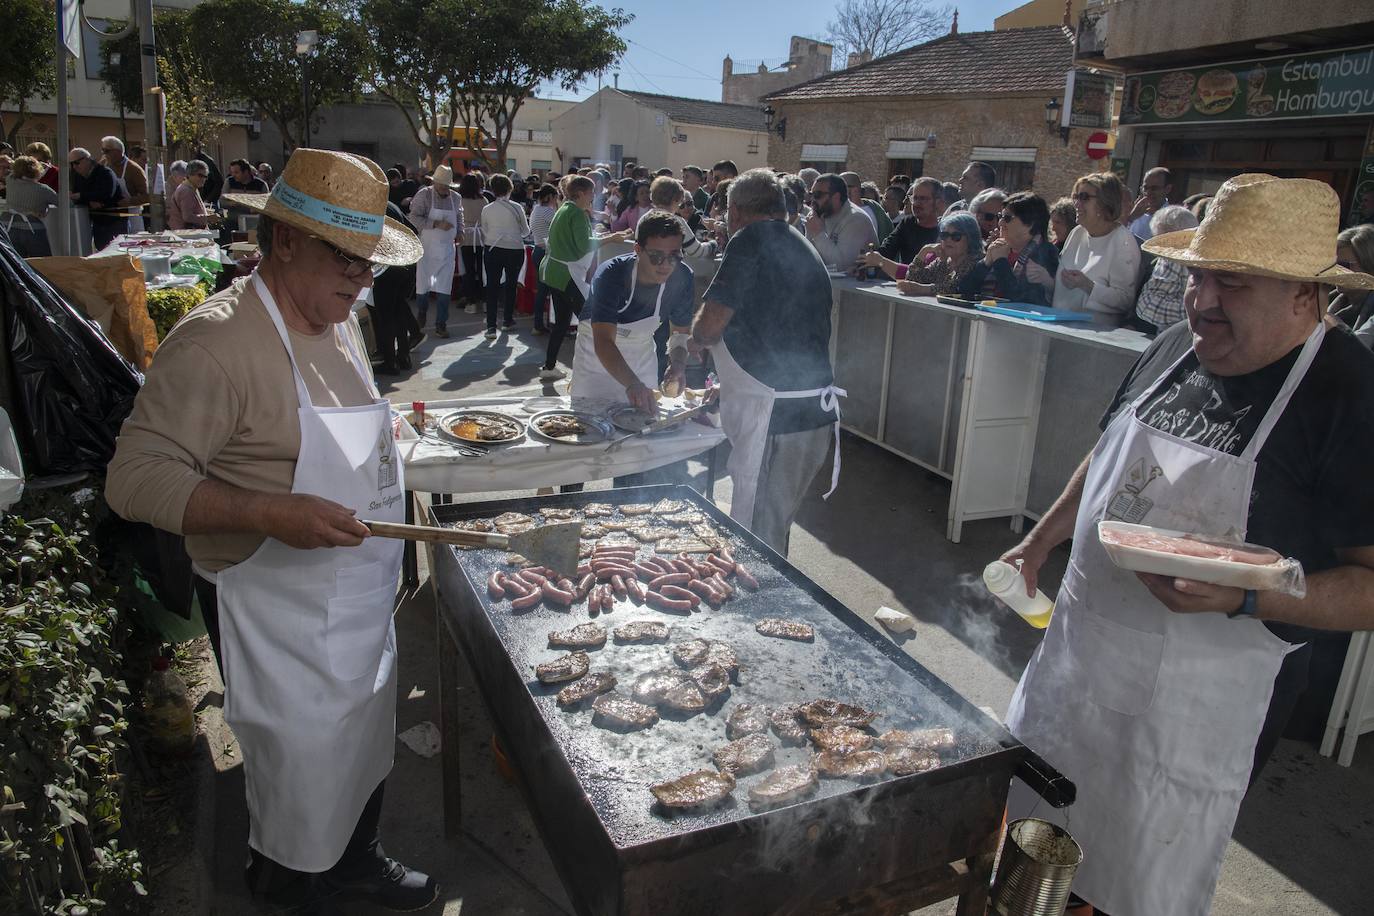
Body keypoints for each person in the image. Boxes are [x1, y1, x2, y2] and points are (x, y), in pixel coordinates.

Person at [1001, 173, 1374, 916]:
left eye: (1231, 283)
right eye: (1197, 275)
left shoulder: (1349, 396)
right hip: (1076, 668)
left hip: (1190, 716)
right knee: (1021, 855)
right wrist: (1041, 540)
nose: (1202, 301)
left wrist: (1245, 594)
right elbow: (1107, 455)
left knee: (1125, 886)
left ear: (1306, 296)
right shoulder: (1177, 344)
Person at [105, 149, 438, 914]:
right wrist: (267, 510)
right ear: (284, 239)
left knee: (358, 741)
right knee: (297, 758)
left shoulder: (338, 318)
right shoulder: (216, 344)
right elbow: (133, 480)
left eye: (369, 263)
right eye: (345, 258)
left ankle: (355, 861)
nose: (361, 280)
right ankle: (286, 881)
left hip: (354, 590)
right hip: (270, 598)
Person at [689, 169, 844, 555]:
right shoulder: (798, 241)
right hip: (808, 416)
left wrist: (689, 342)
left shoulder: (750, 240)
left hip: (779, 418)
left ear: (736, 211)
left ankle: (758, 613)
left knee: (756, 540)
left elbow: (709, 327)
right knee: (772, 530)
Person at [571, 209, 694, 413]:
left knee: (643, 427)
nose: (665, 265)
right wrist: (632, 384)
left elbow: (680, 333)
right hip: (596, 358)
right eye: (656, 256)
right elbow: (603, 341)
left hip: (641, 356)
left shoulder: (683, 277)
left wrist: (678, 364)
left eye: (674, 256)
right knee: (591, 424)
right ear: (638, 249)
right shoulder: (611, 275)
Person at [539, 175, 631, 380]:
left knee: (562, 323)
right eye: (591, 193)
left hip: (553, 273)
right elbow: (583, 246)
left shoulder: (564, 208)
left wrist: (603, 235)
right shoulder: (577, 213)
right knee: (594, 322)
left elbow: (578, 240)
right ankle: (596, 370)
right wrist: (611, 238)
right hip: (566, 274)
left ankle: (549, 367)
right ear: (580, 193)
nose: (593, 196)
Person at [1052, 172, 1140, 321]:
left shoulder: (1122, 242)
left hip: (1094, 334)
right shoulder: (1077, 233)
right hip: (1060, 324)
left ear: (1105, 203)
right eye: (1076, 196)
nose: (1077, 204)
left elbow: (1125, 301)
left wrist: (1088, 286)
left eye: (1084, 197)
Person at [966, 192, 1058, 305]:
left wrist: (1000, 262)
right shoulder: (999, 249)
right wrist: (985, 263)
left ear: (1029, 223)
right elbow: (965, 291)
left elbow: (1022, 300)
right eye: (1000, 216)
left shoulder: (1046, 253)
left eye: (1007, 218)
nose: (1000, 223)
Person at [409, 164, 460, 338]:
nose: (445, 189)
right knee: (423, 286)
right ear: (435, 182)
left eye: (448, 186)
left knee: (445, 288)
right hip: (427, 250)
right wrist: (436, 224)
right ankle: (421, 313)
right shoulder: (423, 195)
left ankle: (441, 324)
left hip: (447, 250)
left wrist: (460, 233)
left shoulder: (456, 198)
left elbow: (459, 217)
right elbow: (413, 218)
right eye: (442, 185)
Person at [1132, 204, 1200, 333]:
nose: (1158, 250)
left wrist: (1197, 310)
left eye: (1158, 239)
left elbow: (1147, 307)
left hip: (1179, 339)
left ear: (1170, 235)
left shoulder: (1172, 253)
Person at [858, 176, 942, 279]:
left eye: (923, 199)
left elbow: (928, 274)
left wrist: (881, 261)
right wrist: (865, 262)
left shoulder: (945, 231)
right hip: (903, 286)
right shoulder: (907, 223)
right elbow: (886, 250)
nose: (916, 203)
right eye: (914, 198)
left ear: (937, 202)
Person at [479, 173, 529, 339]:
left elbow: (484, 229)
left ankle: (491, 326)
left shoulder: (487, 208)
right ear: (510, 188)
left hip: (492, 248)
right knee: (511, 284)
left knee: (492, 287)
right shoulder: (517, 207)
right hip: (514, 248)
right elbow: (525, 231)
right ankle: (508, 320)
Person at [895, 211, 983, 299]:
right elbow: (912, 279)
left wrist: (922, 289)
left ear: (971, 238)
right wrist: (923, 251)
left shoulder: (977, 262)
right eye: (944, 235)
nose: (948, 240)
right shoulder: (944, 260)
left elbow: (954, 289)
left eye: (956, 236)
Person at [805, 173, 877, 270]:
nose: (812, 200)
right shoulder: (817, 215)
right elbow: (807, 258)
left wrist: (818, 234)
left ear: (836, 197)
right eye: (811, 194)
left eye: (818, 195)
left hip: (856, 283)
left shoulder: (857, 219)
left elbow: (841, 266)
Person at [68, 147, 126, 250]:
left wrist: (82, 196)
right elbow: (76, 197)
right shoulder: (78, 177)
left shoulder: (105, 173)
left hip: (114, 221)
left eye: (76, 163)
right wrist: (88, 199)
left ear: (87, 159)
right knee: (101, 250)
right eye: (71, 164)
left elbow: (106, 194)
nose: (74, 167)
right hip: (97, 222)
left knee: (117, 251)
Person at [648, 176, 716, 259]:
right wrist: (713, 244)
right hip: (667, 268)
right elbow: (696, 251)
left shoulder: (644, 218)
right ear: (675, 199)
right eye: (680, 203)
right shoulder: (676, 222)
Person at [1330, 224, 1374, 348]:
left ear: (1369, 267)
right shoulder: (1328, 298)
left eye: (1345, 265)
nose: (1337, 271)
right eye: (1334, 264)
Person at [3, 155, 57, 257]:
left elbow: (15, 172)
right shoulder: (44, 190)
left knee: (17, 264)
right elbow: (65, 203)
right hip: (33, 229)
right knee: (41, 264)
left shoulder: (10, 181)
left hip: (9, 227)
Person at [97, 136, 149, 233]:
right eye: (102, 151)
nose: (104, 154)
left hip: (131, 216)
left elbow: (147, 196)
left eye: (106, 151)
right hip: (109, 217)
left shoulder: (134, 169)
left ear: (118, 151)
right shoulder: (102, 165)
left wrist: (130, 201)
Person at [528, 183, 559, 335]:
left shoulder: (536, 210)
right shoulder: (547, 211)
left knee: (542, 291)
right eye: (556, 197)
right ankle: (547, 323)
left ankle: (538, 324)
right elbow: (561, 225)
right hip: (547, 252)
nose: (557, 200)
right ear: (550, 197)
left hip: (537, 251)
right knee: (552, 291)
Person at [457, 172, 487, 312]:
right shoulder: (483, 201)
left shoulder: (460, 200)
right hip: (481, 238)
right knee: (482, 271)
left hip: (466, 238)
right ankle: (484, 300)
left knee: (469, 271)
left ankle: (471, 302)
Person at [1126, 167, 1173, 241]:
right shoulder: (1133, 213)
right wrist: (1130, 218)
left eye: (1154, 188)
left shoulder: (1173, 218)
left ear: (1167, 189)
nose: (1148, 193)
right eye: (1145, 188)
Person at [167, 160, 212, 231]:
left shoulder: (191, 187)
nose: (203, 179)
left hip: (190, 233)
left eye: (205, 176)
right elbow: (187, 217)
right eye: (200, 175)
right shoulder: (186, 190)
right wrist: (208, 218)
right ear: (190, 174)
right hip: (186, 235)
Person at [223, 158, 269, 227]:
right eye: (232, 172)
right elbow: (221, 201)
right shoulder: (229, 182)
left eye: (236, 172)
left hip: (254, 221)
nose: (233, 175)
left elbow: (267, 205)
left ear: (246, 172)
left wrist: (257, 208)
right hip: (233, 221)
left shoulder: (261, 184)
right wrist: (231, 203)